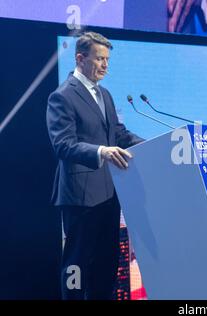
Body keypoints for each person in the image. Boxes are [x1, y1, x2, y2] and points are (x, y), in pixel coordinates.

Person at [46, 32, 144, 300]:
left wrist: (155, 144)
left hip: (109, 195)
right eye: (99, 59)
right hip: (79, 195)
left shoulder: (105, 95)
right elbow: (63, 145)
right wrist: (102, 151)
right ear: (80, 58)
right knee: (77, 264)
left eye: (107, 59)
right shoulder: (62, 96)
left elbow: (119, 134)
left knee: (107, 264)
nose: (105, 65)